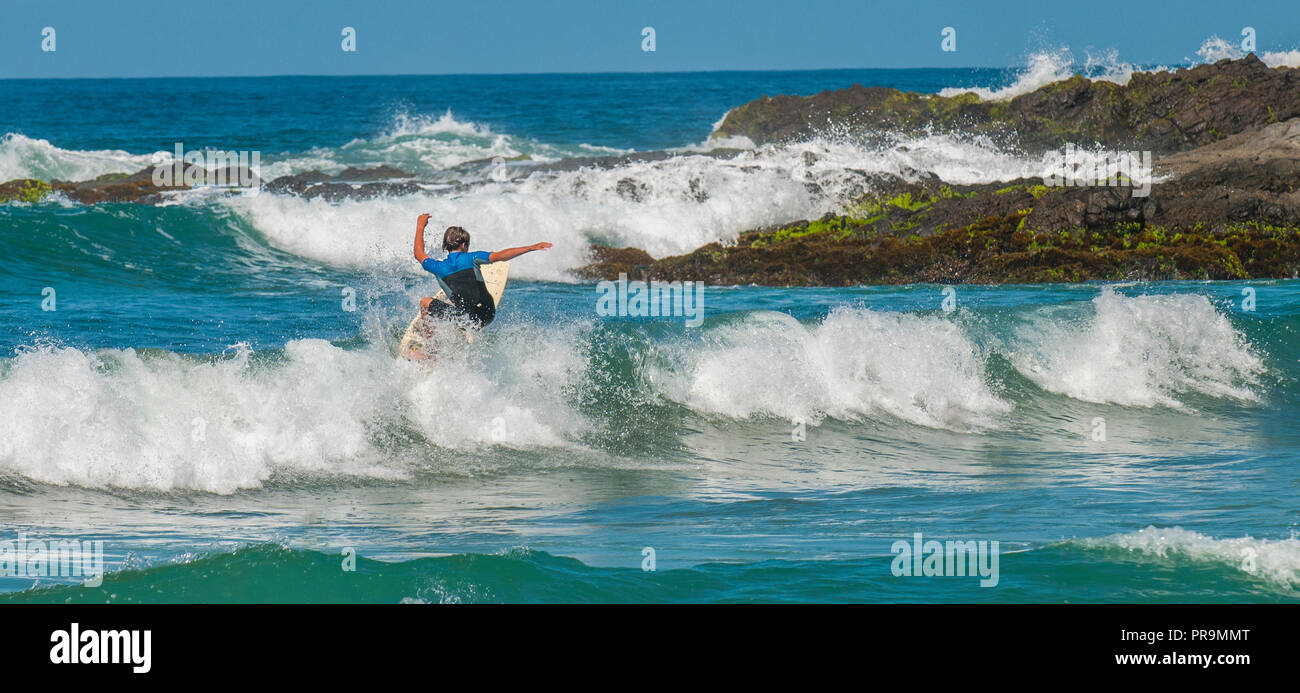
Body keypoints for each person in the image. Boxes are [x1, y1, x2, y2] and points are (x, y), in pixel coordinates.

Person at [412, 212, 551, 328]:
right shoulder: (473, 258)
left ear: (446, 246)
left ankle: (430, 343)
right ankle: (461, 326)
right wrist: (530, 247)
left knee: (425, 302)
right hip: (487, 315)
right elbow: (500, 256)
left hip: (465, 319)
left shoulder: (437, 267)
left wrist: (420, 226)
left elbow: (419, 254)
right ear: (465, 245)